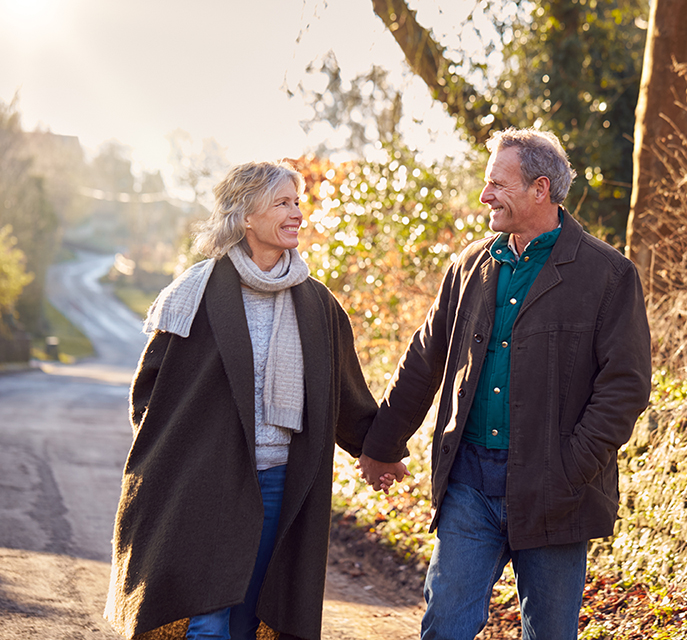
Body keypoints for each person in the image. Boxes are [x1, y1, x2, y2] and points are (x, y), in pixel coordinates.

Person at [359, 127, 653, 639]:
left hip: (556, 493)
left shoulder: (609, 275)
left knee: (550, 634)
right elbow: (424, 361)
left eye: (497, 183)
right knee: (445, 626)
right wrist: (383, 445)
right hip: (469, 484)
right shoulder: (468, 266)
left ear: (541, 189)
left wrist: (571, 467)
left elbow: (625, 386)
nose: (484, 195)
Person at [105, 161, 388, 640]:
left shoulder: (317, 304)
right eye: (282, 203)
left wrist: (380, 448)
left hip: (281, 481)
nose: (297, 212)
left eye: (297, 202)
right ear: (245, 217)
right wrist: (176, 460)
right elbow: (151, 393)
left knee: (249, 618)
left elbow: (348, 396)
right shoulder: (194, 292)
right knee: (206, 617)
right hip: (204, 483)